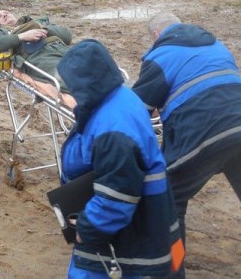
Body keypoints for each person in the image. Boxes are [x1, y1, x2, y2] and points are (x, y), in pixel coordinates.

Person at [131, 12, 241, 278]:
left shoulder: (159, 56)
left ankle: (174, 273)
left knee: (170, 202)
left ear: (155, 35)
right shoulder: (215, 44)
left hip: (207, 133)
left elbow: (137, 111)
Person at [56, 39, 184, 278]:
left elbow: (116, 197)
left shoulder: (112, 133)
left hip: (135, 243)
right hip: (155, 220)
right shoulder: (122, 97)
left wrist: (88, 228)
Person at [0, 10, 72, 92]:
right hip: (40, 57)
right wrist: (22, 36)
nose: (4, 15)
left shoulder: (37, 22)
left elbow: (67, 37)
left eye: (6, 12)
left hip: (63, 48)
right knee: (71, 76)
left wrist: (42, 29)